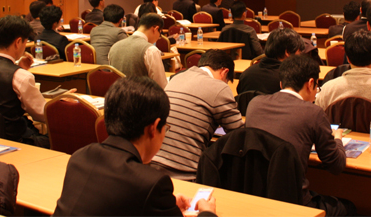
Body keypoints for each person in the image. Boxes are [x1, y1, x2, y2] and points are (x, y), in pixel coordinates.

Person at [53, 76, 217, 216]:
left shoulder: (79, 157)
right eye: (165, 128)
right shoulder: (152, 183)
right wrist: (207, 213)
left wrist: (167, 206)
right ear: (154, 128)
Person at [246, 55, 355, 216]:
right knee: (349, 207)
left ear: (281, 83)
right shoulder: (313, 113)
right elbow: (336, 165)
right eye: (317, 87)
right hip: (294, 204)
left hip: (256, 198)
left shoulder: (254, 104)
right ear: (310, 84)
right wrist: (338, 138)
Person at [151, 50, 243, 180]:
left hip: (152, 164)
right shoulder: (219, 87)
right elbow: (239, 134)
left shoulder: (176, 77)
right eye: (227, 81)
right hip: (186, 173)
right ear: (224, 72)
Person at [0, 15, 54, 147]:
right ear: (18, 42)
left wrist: (18, 68)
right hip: (16, 140)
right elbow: (42, 114)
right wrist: (60, 102)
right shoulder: (21, 76)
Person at [237, 28, 305, 94]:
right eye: (299, 52)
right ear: (288, 52)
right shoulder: (290, 80)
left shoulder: (245, 74)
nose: (300, 56)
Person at [108, 13, 167, 88]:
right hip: (142, 94)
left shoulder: (114, 47)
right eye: (160, 33)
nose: (158, 37)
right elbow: (161, 86)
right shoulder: (151, 50)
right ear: (155, 29)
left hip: (117, 93)